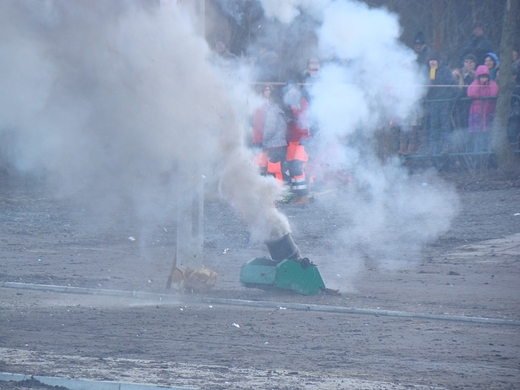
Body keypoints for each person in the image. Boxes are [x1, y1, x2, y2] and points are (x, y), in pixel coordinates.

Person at [284, 83, 312, 204]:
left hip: (303, 139)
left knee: (297, 167)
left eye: (293, 89)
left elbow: (303, 119)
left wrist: (294, 107)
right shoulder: (287, 104)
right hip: (292, 140)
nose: (291, 92)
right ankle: (298, 195)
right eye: (289, 90)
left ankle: (304, 196)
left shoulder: (303, 102)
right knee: (291, 168)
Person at [426, 51, 457, 154]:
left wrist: (452, 96)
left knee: (445, 124)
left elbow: (452, 83)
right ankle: (433, 146)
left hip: (444, 102)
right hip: (434, 102)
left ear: (438, 61)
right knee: (434, 124)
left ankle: (446, 145)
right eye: (431, 60)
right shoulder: (429, 72)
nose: (432, 62)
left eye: (434, 60)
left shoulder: (445, 70)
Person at [467, 65, 499, 152]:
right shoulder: (475, 84)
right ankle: (477, 153)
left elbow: (494, 92)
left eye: (485, 76)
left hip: (489, 112)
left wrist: (489, 83)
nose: (484, 79)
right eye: (481, 77)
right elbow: (471, 93)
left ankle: (487, 153)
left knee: (488, 134)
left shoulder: (492, 84)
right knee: (477, 135)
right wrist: (478, 83)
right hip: (476, 113)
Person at [262, 87, 288, 185]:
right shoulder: (281, 110)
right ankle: (283, 192)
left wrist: (264, 141)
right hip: (281, 145)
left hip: (274, 146)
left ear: (271, 99)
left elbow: (270, 129)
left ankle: (279, 194)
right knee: (280, 170)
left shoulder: (272, 111)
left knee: (274, 171)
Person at [251, 84, 272, 176]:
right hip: (260, 137)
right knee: (260, 162)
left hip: (264, 137)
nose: (269, 92)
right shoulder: (260, 104)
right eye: (267, 90)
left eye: (269, 90)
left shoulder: (267, 103)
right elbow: (261, 121)